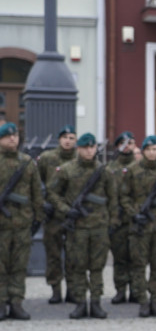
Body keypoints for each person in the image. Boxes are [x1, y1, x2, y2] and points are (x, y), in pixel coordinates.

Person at [48, 133, 118, 319]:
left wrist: (112, 223)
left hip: (99, 227)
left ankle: (95, 303)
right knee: (77, 267)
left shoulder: (104, 171)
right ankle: (80, 303)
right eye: (85, 147)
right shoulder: (66, 170)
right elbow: (52, 194)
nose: (89, 150)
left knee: (97, 268)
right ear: (78, 148)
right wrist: (66, 210)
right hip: (77, 227)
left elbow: (113, 199)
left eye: (92, 147)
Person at [121, 135, 156, 317]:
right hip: (140, 226)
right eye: (149, 149)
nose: (153, 153)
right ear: (143, 151)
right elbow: (124, 197)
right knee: (138, 266)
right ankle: (143, 301)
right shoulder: (131, 171)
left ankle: (155, 301)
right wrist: (134, 214)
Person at [0, 123, 44, 321]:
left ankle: (16, 302)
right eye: (7, 136)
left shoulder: (27, 162)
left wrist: (38, 218)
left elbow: (37, 193)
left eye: (15, 135)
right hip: (1, 225)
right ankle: (1, 302)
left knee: (19, 265)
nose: (12, 139)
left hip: (22, 223)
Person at [36, 125, 76, 304]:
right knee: (53, 254)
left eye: (71, 137)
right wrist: (43, 204)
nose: (68, 141)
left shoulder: (80, 158)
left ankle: (73, 289)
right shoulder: (47, 158)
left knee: (74, 255)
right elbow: (37, 184)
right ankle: (55, 289)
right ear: (59, 139)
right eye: (65, 137)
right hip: (53, 216)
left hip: (74, 214)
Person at [106, 131, 138, 304]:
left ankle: (135, 290)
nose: (127, 146)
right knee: (119, 258)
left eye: (131, 143)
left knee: (136, 258)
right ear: (118, 146)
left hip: (136, 219)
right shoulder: (110, 169)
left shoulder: (140, 167)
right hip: (117, 220)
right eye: (123, 143)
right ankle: (120, 290)